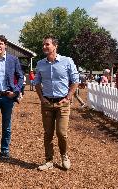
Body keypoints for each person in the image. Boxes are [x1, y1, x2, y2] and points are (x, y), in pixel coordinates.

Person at [34, 35, 79, 171]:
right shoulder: (40, 63)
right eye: (44, 45)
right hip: (47, 103)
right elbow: (36, 82)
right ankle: (49, 160)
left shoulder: (67, 61)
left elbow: (75, 80)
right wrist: (41, 98)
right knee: (48, 133)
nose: (44, 47)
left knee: (61, 132)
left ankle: (64, 155)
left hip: (63, 103)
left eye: (47, 44)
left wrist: (69, 96)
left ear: (55, 46)